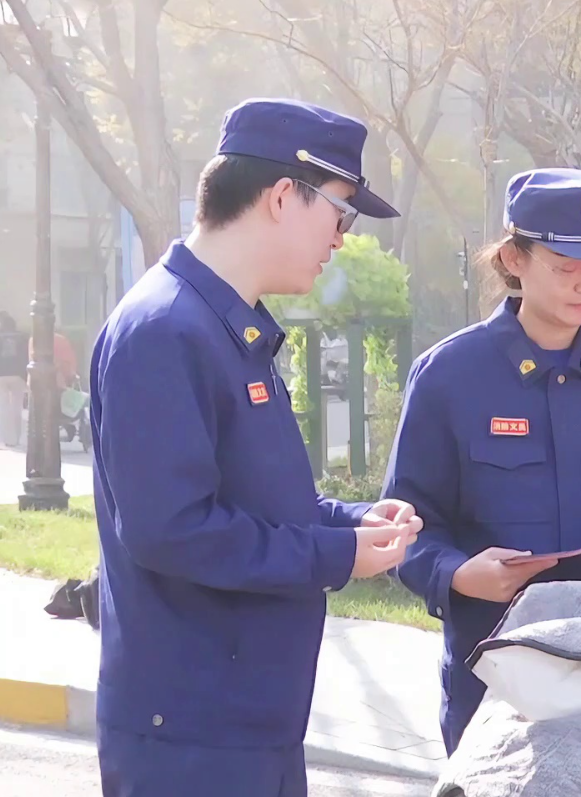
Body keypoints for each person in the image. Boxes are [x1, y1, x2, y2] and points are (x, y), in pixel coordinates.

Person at [88, 98, 424, 797]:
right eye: (340, 213)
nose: (341, 239)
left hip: (245, 723)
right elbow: (171, 531)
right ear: (280, 197)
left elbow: (256, 499)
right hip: (191, 737)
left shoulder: (227, 326)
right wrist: (336, 556)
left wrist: (350, 522)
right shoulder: (165, 330)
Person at [384, 167, 581, 755]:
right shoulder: (449, 377)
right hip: (498, 678)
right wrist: (458, 574)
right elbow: (404, 528)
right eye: (567, 267)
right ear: (515, 259)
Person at [0, 310, 29, 446]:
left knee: (3, 407)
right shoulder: (22, 337)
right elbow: (27, 356)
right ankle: (16, 437)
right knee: (17, 406)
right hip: (18, 375)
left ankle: (8, 439)